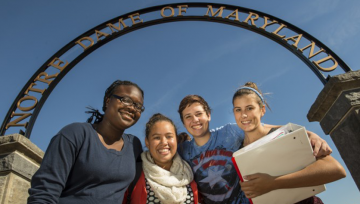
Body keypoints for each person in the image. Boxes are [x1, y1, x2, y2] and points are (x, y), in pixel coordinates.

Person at [177, 95, 333, 204]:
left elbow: (266, 129)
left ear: (209, 115)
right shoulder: (183, 151)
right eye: (188, 117)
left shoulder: (230, 132)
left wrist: (309, 133)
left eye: (199, 114)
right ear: (183, 122)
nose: (195, 120)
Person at [28, 80, 144, 204]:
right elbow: (44, 191)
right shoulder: (75, 134)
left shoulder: (134, 146)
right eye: (125, 100)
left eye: (138, 106)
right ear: (108, 100)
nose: (132, 108)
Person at [232, 82, 346, 203]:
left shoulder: (285, 134)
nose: (243, 115)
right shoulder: (239, 152)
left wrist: (273, 183)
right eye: (238, 109)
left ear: (262, 110)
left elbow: (335, 170)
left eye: (250, 108)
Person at [124, 113, 198, 204]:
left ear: (176, 140)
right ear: (147, 142)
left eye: (169, 136)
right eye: (157, 137)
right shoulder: (133, 174)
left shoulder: (190, 171)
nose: (164, 142)